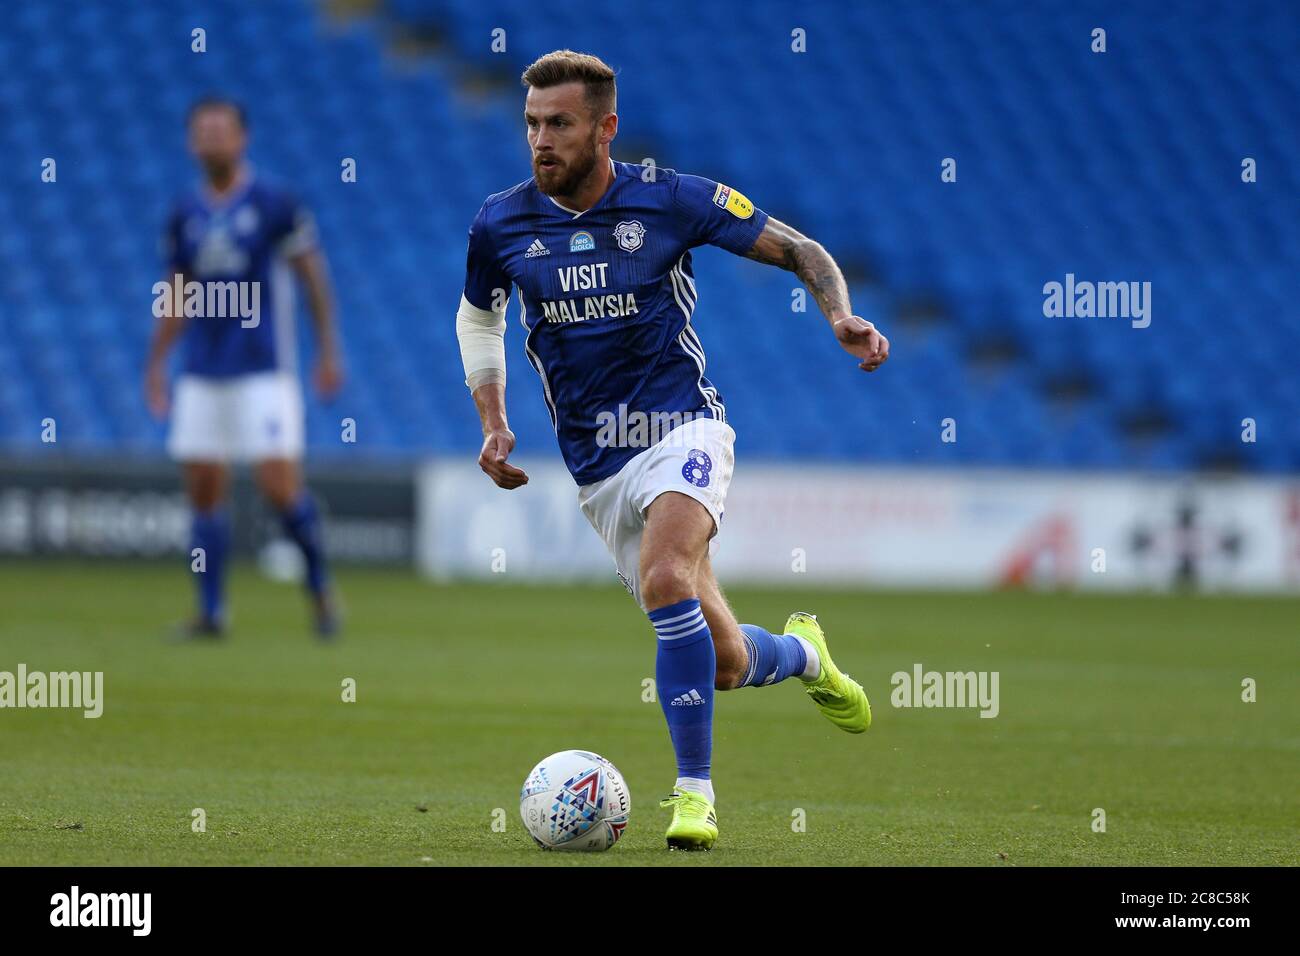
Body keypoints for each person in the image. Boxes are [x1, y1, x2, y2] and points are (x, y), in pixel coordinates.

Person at [456, 51, 888, 850]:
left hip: (682, 428)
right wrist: (493, 418)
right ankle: (803, 656)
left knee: (664, 578)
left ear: (605, 128)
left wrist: (839, 316)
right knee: (720, 661)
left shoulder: (671, 199)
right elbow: (480, 318)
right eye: (531, 125)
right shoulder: (502, 222)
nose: (541, 140)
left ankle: (695, 797)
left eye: (560, 124)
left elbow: (798, 248)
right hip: (598, 469)